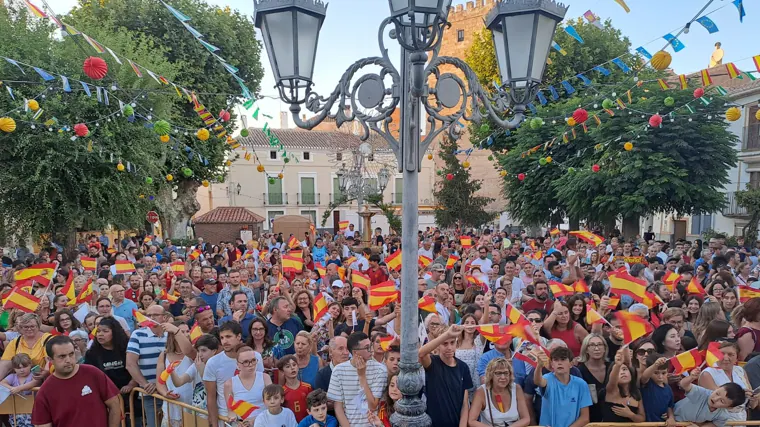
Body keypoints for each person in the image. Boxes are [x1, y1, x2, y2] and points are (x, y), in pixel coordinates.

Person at [31, 335, 122, 427]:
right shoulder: (45, 391)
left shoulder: (92, 373)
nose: (68, 360)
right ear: (50, 360)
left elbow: (114, 404)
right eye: (62, 356)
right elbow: (43, 425)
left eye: (71, 354)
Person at [204, 321, 264, 427]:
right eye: (222, 338)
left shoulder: (255, 357)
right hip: (228, 419)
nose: (224, 341)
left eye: (228, 336)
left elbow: (261, 385)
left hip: (256, 418)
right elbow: (211, 397)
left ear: (238, 336)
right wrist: (214, 424)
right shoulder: (213, 362)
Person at [327, 332, 387, 427]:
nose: (371, 350)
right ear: (355, 352)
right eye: (367, 347)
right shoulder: (338, 371)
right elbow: (338, 407)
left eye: (371, 345)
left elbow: (372, 406)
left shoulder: (380, 370)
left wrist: (362, 376)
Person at [84, 317, 138, 423]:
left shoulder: (127, 348)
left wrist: (131, 384)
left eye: (105, 331)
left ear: (115, 332)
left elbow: (137, 367)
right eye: (98, 331)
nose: (100, 334)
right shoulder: (92, 353)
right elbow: (89, 376)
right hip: (107, 402)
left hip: (131, 400)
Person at [419, 324, 472, 427]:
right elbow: (421, 354)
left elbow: (465, 403)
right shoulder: (433, 363)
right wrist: (447, 334)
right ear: (438, 345)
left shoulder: (463, 367)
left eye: (452, 343)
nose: (449, 348)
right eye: (445, 343)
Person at [126, 304, 168, 427]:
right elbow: (130, 364)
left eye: (155, 315)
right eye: (148, 315)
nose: (151, 318)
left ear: (164, 317)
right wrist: (145, 384)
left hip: (171, 390)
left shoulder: (170, 334)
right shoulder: (138, 334)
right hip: (151, 393)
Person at [532, 346, 592, 427]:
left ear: (571, 364)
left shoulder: (581, 384)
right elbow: (537, 381)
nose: (559, 363)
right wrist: (539, 365)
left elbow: (585, 418)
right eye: (556, 360)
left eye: (563, 359)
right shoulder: (547, 378)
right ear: (552, 364)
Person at [468, 357, 530, 427]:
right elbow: (471, 421)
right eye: (498, 373)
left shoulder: (516, 388)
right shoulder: (482, 391)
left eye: (506, 373)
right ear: (491, 375)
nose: (503, 377)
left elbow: (526, 418)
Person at [675, 367, 747, 427]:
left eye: (722, 401)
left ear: (729, 407)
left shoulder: (723, 415)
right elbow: (683, 385)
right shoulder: (702, 393)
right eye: (717, 393)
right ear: (718, 387)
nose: (715, 399)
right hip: (671, 418)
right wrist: (691, 377)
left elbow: (715, 424)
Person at [169, 334, 221, 415]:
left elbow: (212, 391)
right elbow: (179, 382)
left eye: (204, 350)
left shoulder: (219, 367)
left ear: (214, 351)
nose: (200, 354)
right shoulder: (196, 365)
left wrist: (201, 371)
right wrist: (171, 371)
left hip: (213, 413)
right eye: (198, 351)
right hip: (196, 412)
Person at [223, 345, 270, 424]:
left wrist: (254, 420)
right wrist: (236, 421)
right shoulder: (229, 384)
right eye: (245, 362)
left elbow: (272, 406)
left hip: (264, 422)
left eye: (253, 360)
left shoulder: (265, 378)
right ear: (238, 365)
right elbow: (231, 411)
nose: (250, 364)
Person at [601, 349, 645, 422]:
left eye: (624, 369)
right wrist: (617, 365)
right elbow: (612, 381)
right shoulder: (611, 390)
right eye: (619, 371)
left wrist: (630, 415)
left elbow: (642, 418)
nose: (622, 373)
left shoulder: (637, 393)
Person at [1, 354, 39, 427]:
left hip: (31, 411)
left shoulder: (34, 374)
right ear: (14, 368)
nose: (21, 370)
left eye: (24, 367)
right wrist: (11, 388)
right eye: (18, 368)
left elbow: (35, 382)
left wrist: (18, 388)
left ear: (30, 364)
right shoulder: (12, 376)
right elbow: (2, 383)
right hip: (16, 411)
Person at [640, 353, 675, 424]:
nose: (660, 376)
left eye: (663, 373)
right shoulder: (648, 384)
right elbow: (645, 376)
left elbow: (669, 406)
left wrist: (671, 418)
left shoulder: (668, 389)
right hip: (646, 424)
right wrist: (655, 365)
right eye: (656, 373)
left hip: (661, 423)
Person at [279, 354, 313, 422]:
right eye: (288, 366)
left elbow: (313, 406)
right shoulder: (281, 391)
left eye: (294, 365)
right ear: (282, 372)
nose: (292, 368)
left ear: (298, 367)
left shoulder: (307, 387)